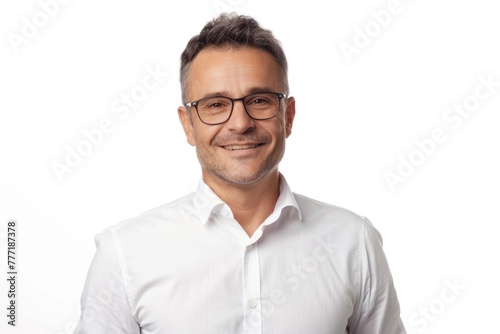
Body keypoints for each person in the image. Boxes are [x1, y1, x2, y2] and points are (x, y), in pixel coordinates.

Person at [74, 13, 406, 334]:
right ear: (188, 125)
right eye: (216, 104)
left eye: (259, 100)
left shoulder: (355, 242)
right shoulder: (124, 254)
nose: (240, 123)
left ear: (287, 116)